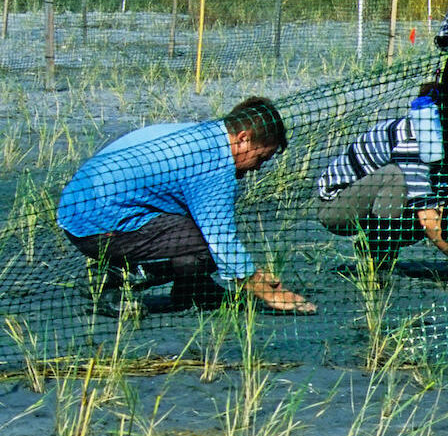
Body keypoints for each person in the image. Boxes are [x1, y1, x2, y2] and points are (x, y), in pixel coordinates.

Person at [57, 96, 315, 314]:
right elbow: (220, 240)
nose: (257, 168)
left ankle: (191, 289)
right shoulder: (213, 164)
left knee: (202, 233)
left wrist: (251, 270)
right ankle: (115, 279)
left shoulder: (204, 134)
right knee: (208, 242)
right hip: (97, 228)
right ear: (243, 138)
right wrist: (263, 290)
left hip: (80, 210)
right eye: (260, 157)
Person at [316, 86, 448, 284]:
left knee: (425, 202)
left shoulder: (438, 146)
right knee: (397, 177)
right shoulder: (412, 140)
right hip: (336, 207)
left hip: (368, 200)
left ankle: (371, 244)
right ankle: (378, 259)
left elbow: (445, 211)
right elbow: (427, 219)